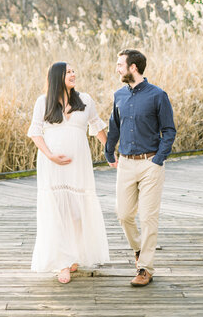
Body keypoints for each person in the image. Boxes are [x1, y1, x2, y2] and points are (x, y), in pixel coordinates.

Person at [27, 61, 109, 284]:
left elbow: (97, 126)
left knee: (76, 213)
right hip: (52, 164)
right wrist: (50, 155)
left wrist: (110, 152)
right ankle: (61, 262)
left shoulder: (85, 100)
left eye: (74, 71)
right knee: (57, 211)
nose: (74, 74)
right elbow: (35, 132)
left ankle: (74, 254)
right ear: (57, 76)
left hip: (79, 165)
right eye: (68, 72)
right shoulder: (43, 102)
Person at [105, 49, 176, 287]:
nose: (117, 68)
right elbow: (114, 126)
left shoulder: (158, 95)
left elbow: (169, 130)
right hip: (125, 163)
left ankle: (145, 268)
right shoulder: (118, 95)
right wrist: (108, 151)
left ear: (133, 67)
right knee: (123, 215)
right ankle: (138, 249)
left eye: (120, 65)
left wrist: (158, 159)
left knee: (148, 217)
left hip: (150, 164)